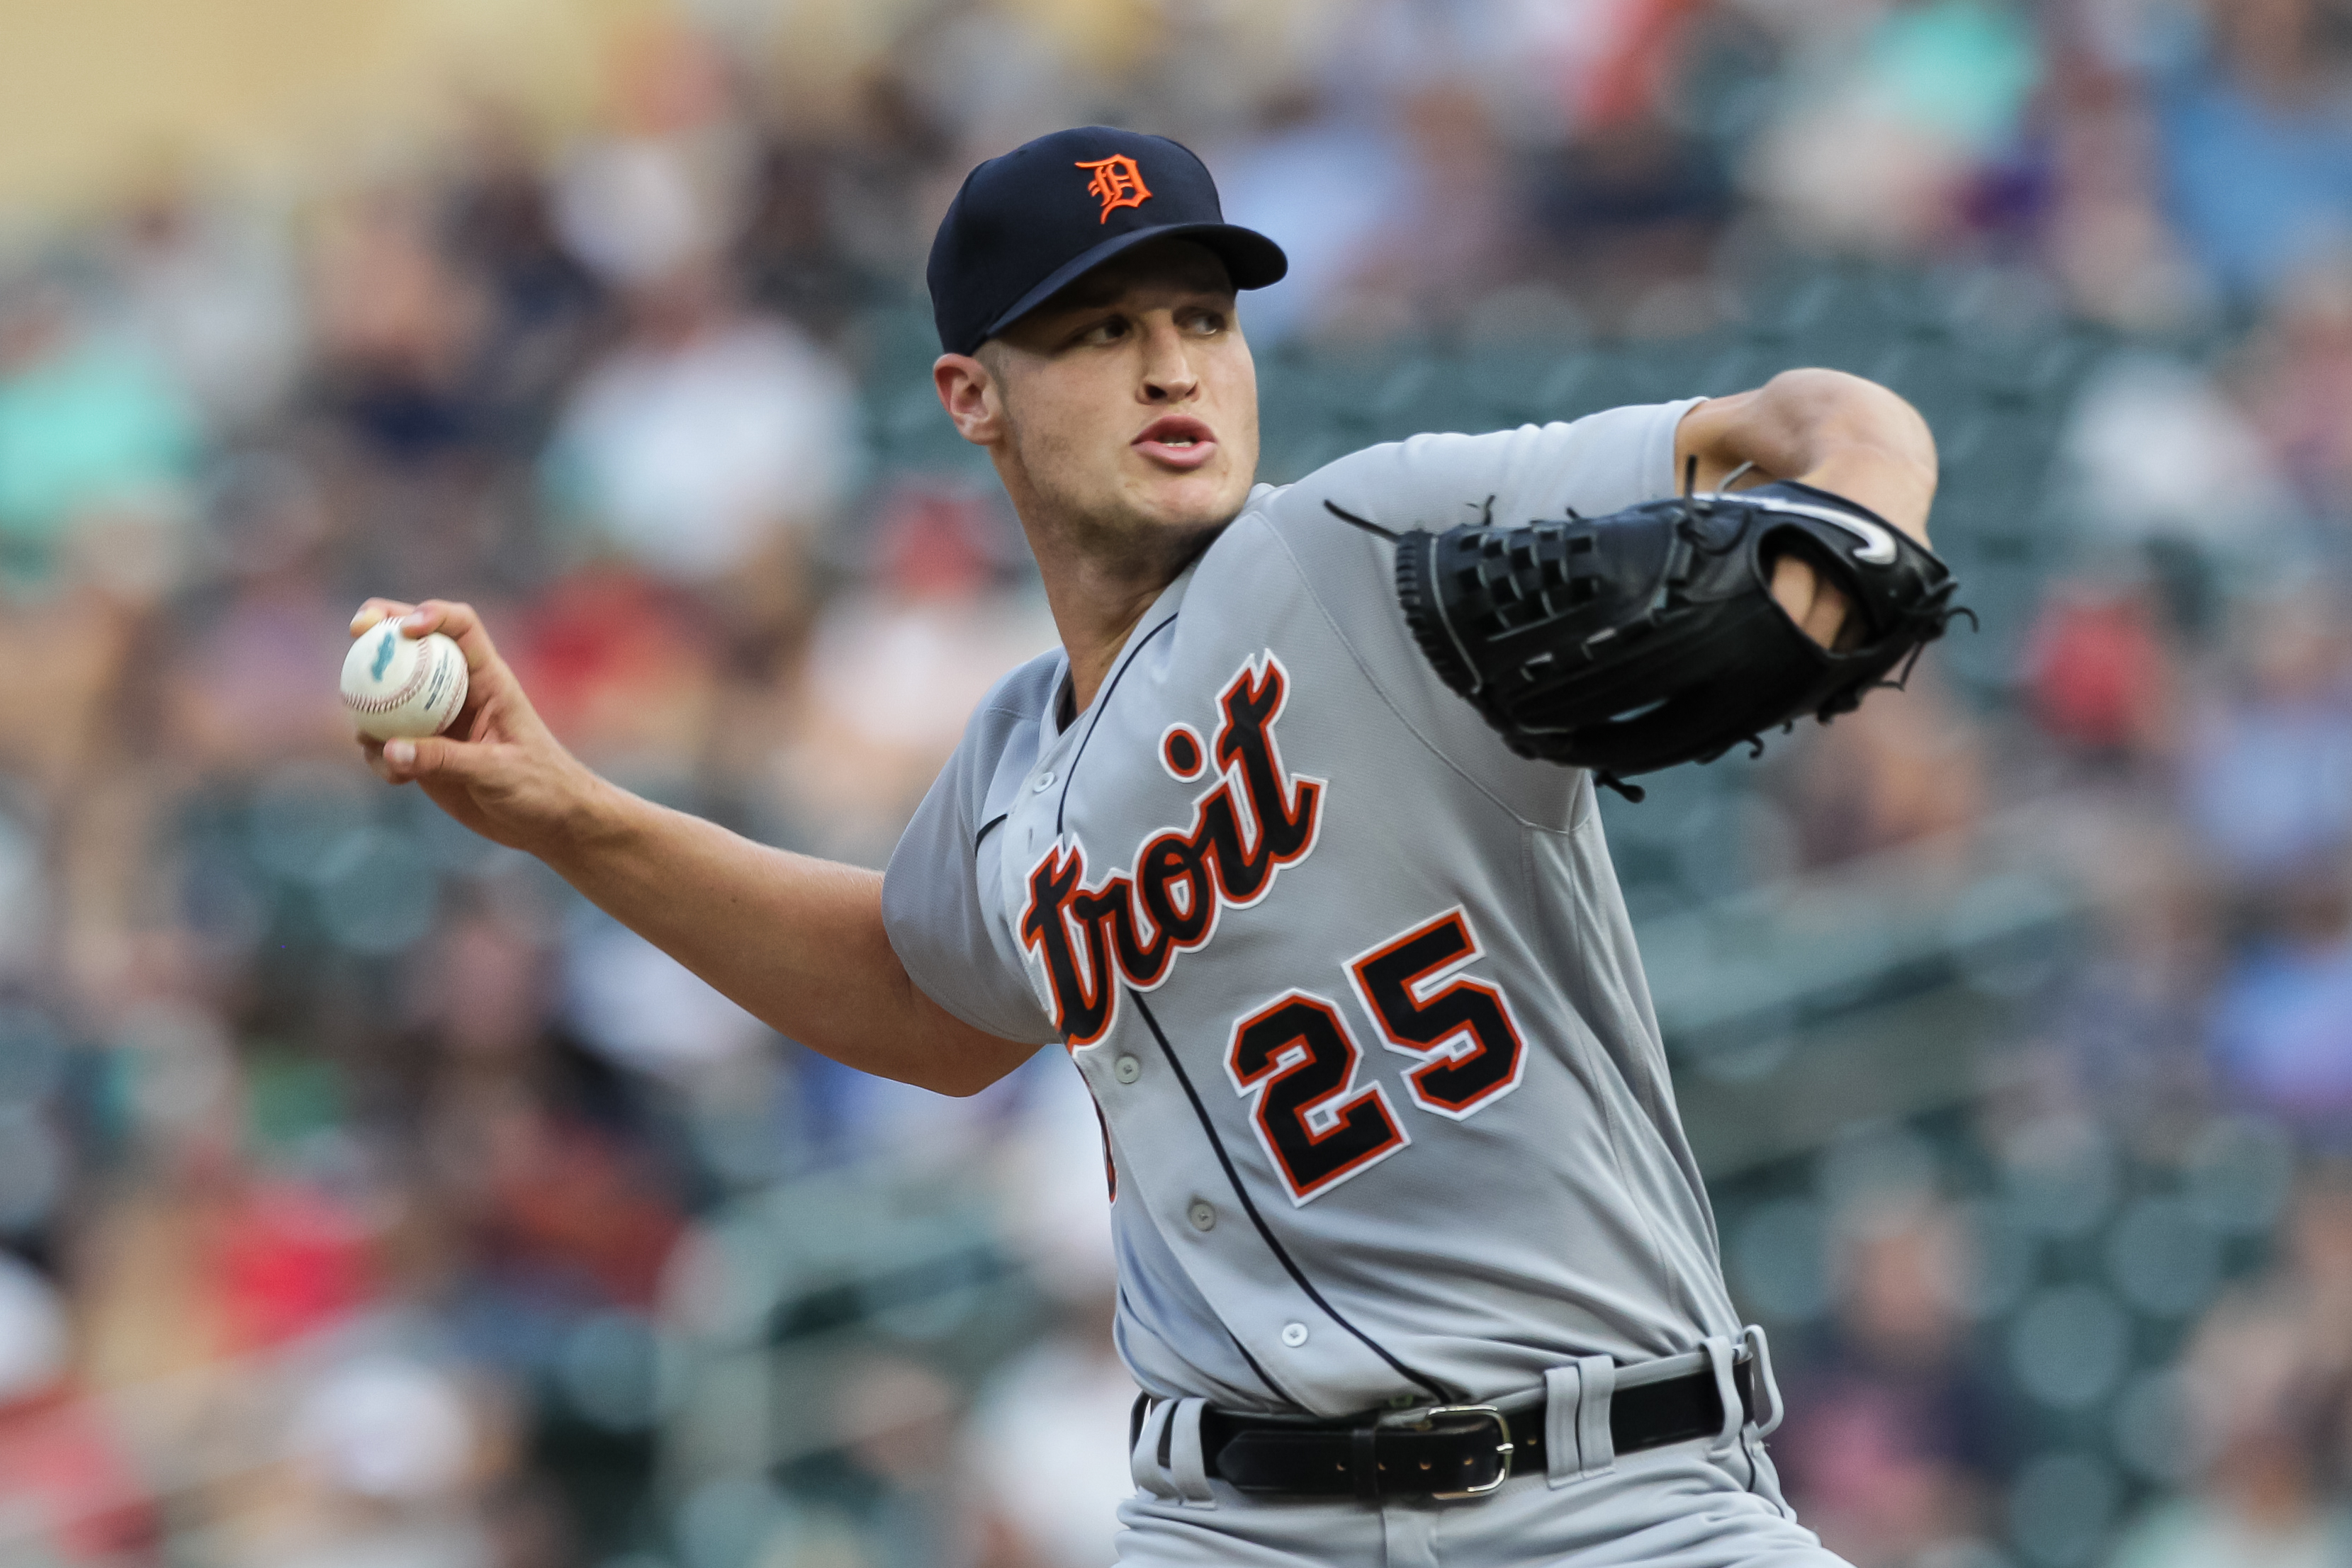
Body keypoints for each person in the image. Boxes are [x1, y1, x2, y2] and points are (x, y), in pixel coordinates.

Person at [354, 127, 1937, 1566]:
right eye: (1100, 332)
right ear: (968, 395)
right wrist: (566, 813)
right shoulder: (1004, 767)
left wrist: (1844, 550)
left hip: (1616, 1501)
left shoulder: (1360, 544)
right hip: (1237, 1526)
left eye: (1202, 318)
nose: (1172, 369)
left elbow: (1820, 423)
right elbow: (923, 1005)